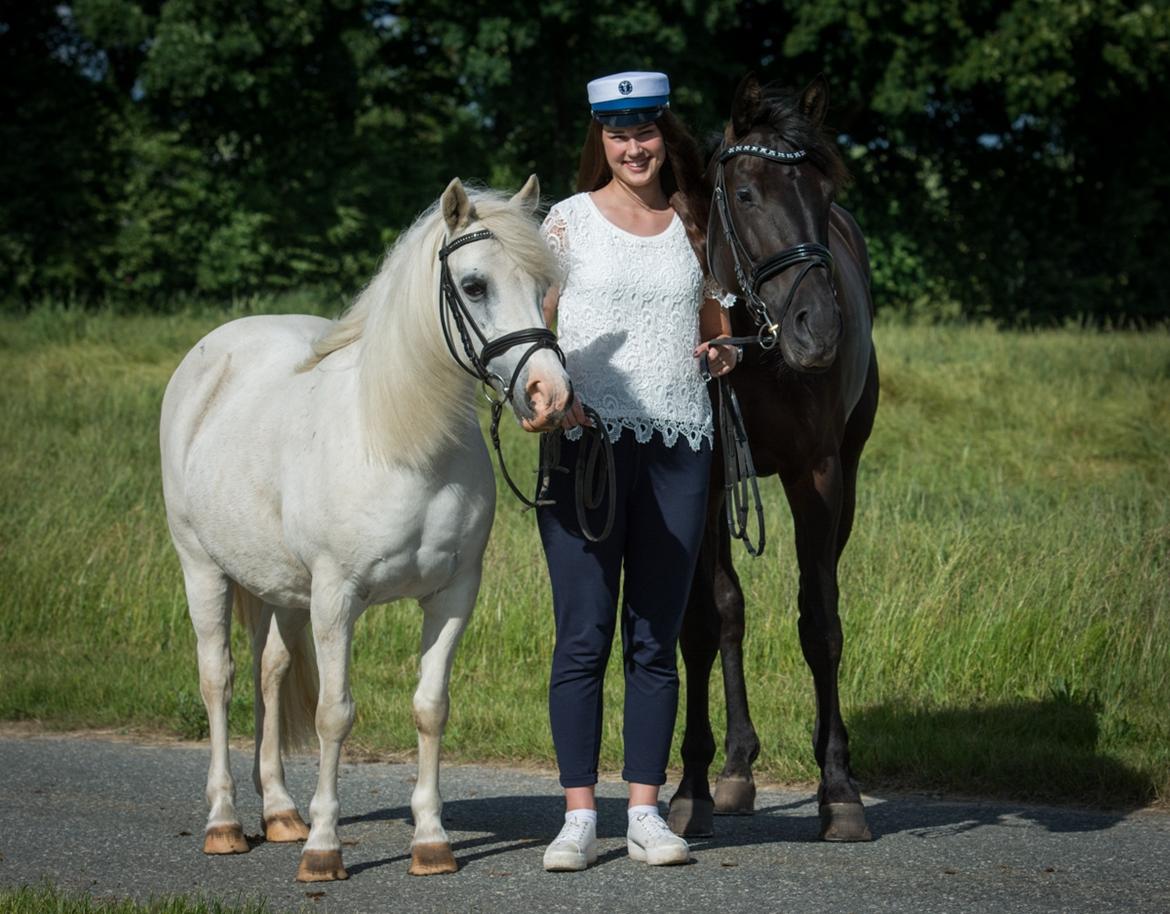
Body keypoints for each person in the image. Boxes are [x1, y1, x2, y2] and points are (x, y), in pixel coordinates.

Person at [537, 70, 739, 871]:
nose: (634, 148)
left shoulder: (695, 221)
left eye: (645, 132)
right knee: (583, 636)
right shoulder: (565, 223)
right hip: (584, 448)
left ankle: (647, 812)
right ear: (601, 140)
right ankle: (579, 817)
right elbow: (532, 328)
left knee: (655, 636)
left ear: (663, 133)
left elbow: (717, 326)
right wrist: (552, 401)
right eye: (618, 135)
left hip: (680, 449)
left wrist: (722, 350)